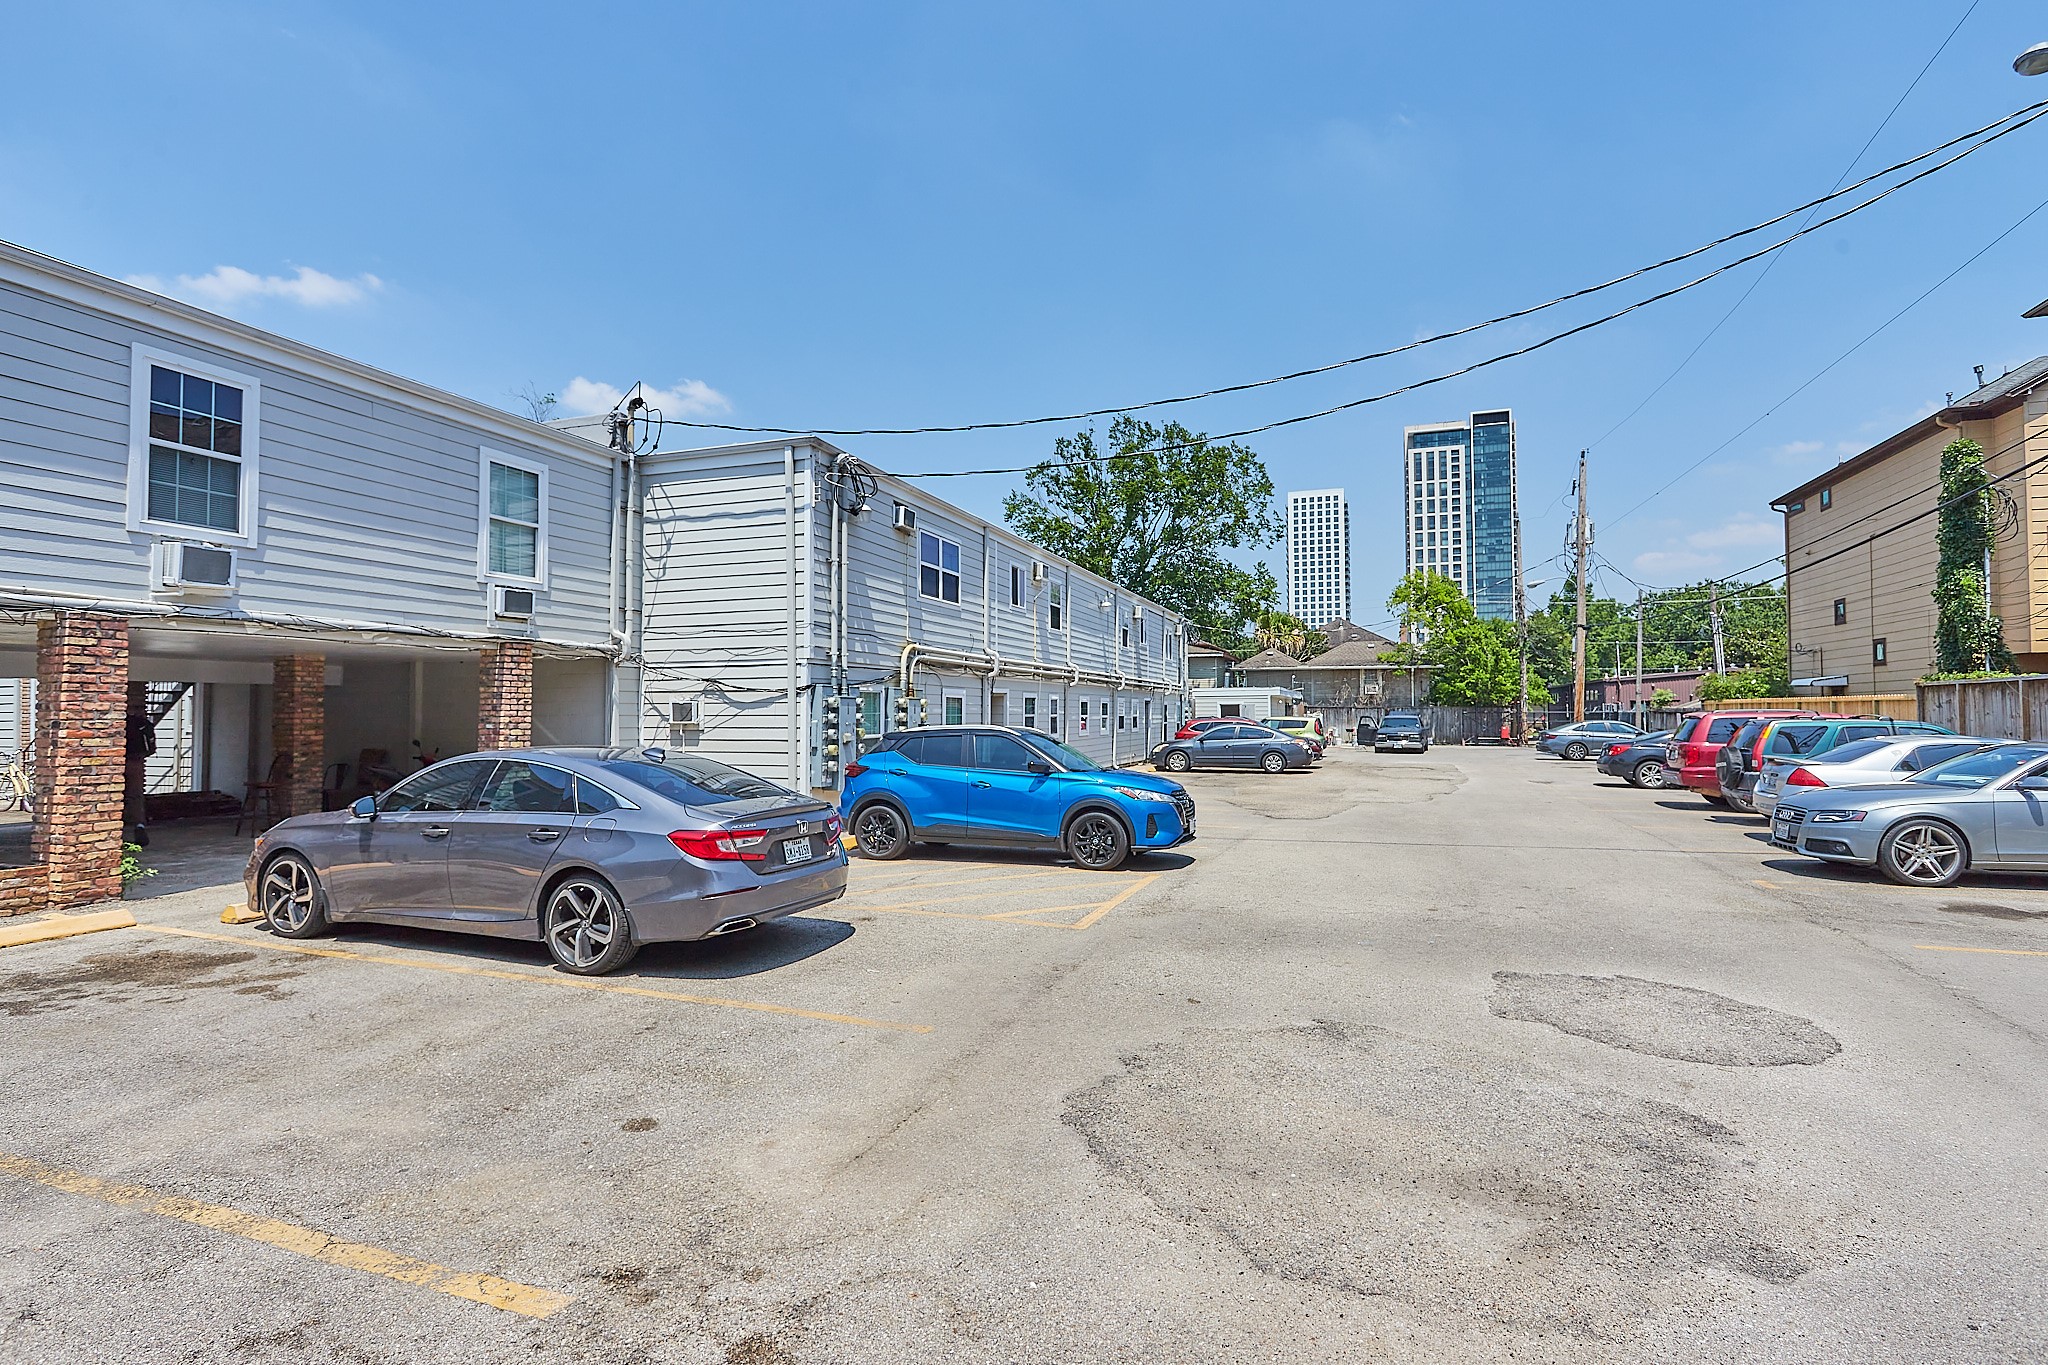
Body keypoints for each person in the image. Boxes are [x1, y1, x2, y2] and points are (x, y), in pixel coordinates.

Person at [125, 702, 157, 848]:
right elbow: (151, 747)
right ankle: (139, 827)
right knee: (135, 796)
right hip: (136, 761)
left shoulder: (121, 723)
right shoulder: (144, 725)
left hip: (117, 761)